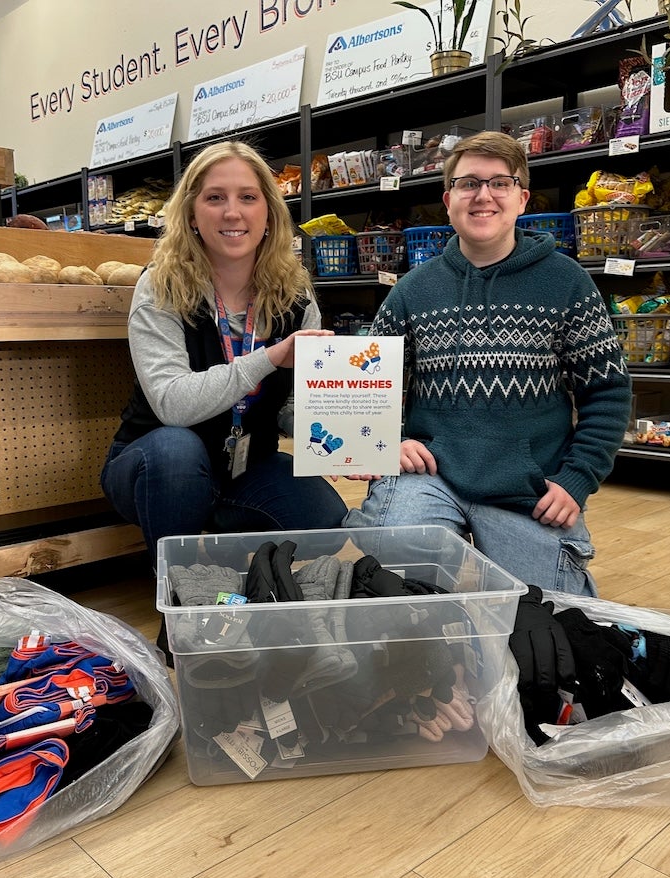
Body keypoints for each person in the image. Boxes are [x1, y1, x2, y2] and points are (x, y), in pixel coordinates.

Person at [343, 131, 632, 596]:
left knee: (552, 620)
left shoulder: (567, 283)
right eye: (468, 184)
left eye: (500, 183)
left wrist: (576, 478)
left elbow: (608, 392)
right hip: (430, 478)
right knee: (395, 575)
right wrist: (385, 442)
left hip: (529, 488)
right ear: (448, 199)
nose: (483, 196)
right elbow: (362, 384)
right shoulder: (412, 291)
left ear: (522, 198)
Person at [101, 140, 348, 569]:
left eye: (248, 198)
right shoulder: (161, 287)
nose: (232, 212)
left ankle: (222, 542)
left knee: (324, 519)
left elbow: (298, 404)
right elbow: (173, 404)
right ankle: (177, 592)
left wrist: (352, 439)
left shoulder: (295, 295)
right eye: (215, 198)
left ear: (268, 213)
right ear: (192, 214)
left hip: (244, 467)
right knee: (177, 451)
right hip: (156, 467)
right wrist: (267, 358)